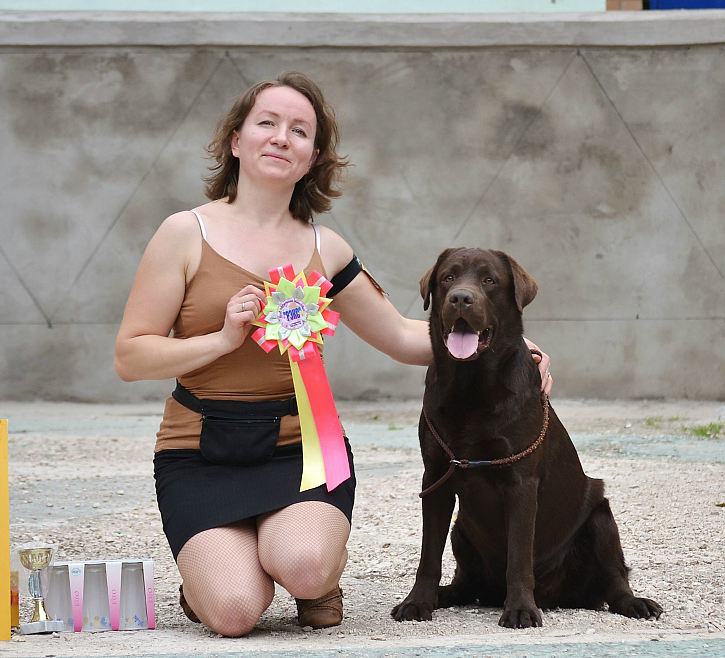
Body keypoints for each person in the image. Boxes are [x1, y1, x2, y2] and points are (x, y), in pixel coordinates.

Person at [113, 71, 552, 637]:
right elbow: (130, 357)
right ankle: (215, 575)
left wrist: (516, 349)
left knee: (304, 565)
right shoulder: (183, 232)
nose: (281, 137)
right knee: (234, 613)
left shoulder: (327, 248)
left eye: (300, 130)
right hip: (200, 453)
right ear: (236, 140)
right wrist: (221, 340)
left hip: (303, 453)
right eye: (267, 123)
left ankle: (309, 577)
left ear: (313, 157)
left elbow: (403, 336)